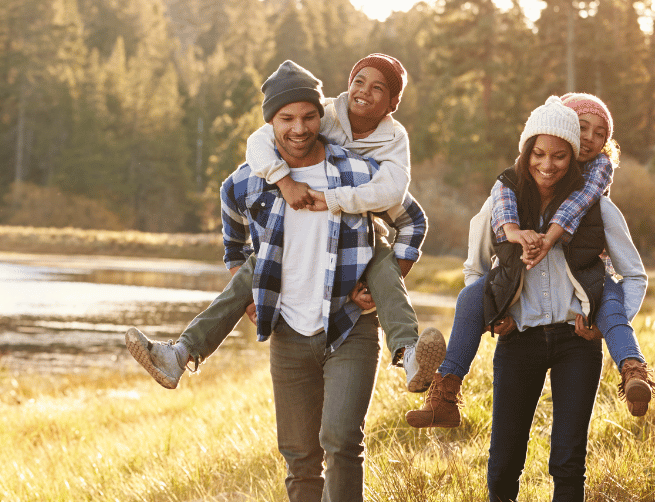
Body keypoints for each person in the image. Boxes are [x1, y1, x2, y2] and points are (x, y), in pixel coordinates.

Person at [215, 61, 425, 502]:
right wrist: (241, 274)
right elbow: (231, 215)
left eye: (309, 116)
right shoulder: (253, 176)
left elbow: (411, 217)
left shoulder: (356, 170)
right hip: (288, 328)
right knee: (299, 455)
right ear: (272, 123)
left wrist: (386, 278)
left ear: (319, 117)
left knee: (341, 441)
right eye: (287, 118)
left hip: (349, 325)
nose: (300, 128)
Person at [125, 54, 444, 395]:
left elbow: (398, 195)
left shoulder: (393, 141)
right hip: (294, 233)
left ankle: (409, 354)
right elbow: (260, 141)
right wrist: (284, 181)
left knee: (383, 265)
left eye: (378, 88)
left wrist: (381, 275)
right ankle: (180, 354)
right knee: (255, 267)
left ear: (393, 103)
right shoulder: (323, 116)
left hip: (364, 232)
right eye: (359, 81)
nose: (299, 127)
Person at [448, 97, 647, 502]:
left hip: (575, 343)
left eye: (560, 153)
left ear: (575, 150)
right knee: (504, 455)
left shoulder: (597, 207)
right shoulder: (504, 201)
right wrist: (496, 313)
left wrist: (599, 323)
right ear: (530, 149)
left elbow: (633, 274)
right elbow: (474, 270)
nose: (549, 164)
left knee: (568, 457)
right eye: (540, 153)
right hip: (519, 340)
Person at [405, 92, 655, 429]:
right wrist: (497, 308)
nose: (590, 140)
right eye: (582, 128)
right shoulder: (511, 184)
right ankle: (445, 390)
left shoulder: (595, 181)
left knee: (610, 304)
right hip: (519, 308)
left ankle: (633, 371)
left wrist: (550, 238)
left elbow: (581, 206)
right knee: (469, 297)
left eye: (600, 134)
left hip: (585, 286)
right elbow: (485, 239)